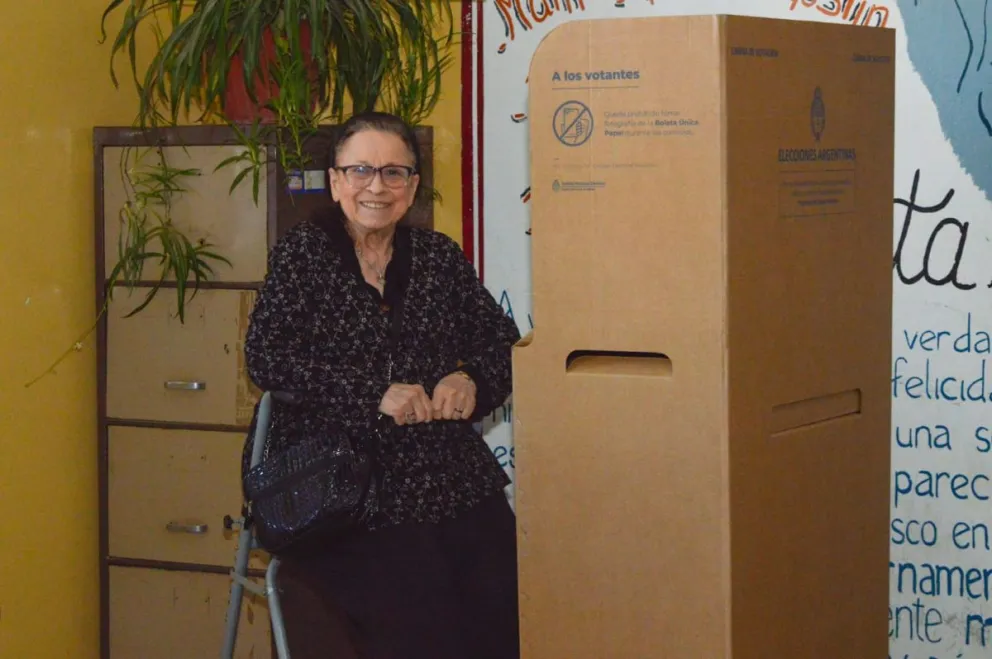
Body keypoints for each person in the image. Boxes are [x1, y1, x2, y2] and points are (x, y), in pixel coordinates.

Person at [243, 111, 522, 659]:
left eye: (395, 172)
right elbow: (267, 357)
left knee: (504, 584)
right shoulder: (304, 256)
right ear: (336, 181)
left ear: (413, 186)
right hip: (340, 475)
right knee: (419, 605)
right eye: (361, 170)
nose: (377, 186)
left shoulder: (439, 258)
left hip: (443, 465)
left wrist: (470, 379)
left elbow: (503, 341)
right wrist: (373, 391)